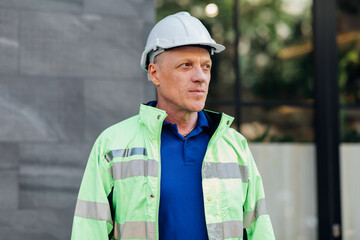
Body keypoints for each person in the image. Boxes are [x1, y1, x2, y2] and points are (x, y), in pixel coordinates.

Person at [71, 12, 275, 240]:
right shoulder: (112, 145)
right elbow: (88, 231)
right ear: (154, 73)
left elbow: (259, 229)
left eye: (206, 66)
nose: (200, 77)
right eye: (186, 65)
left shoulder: (235, 145)